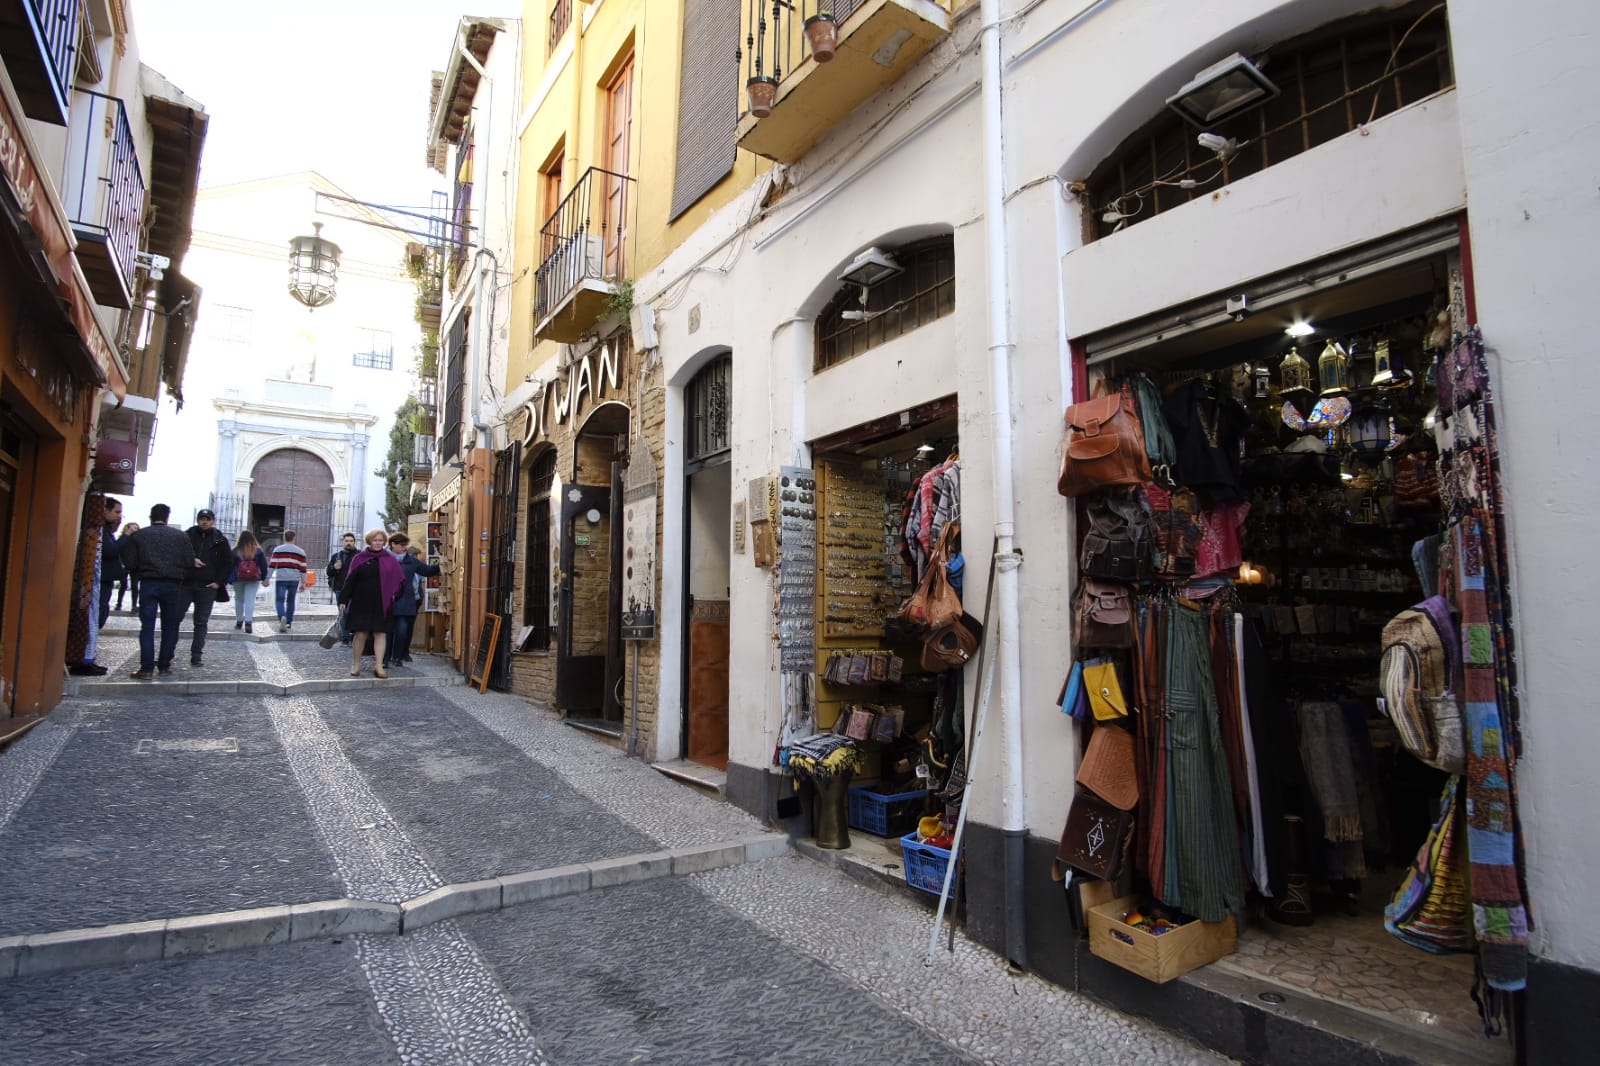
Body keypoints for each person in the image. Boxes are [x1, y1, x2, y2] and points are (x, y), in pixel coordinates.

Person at [120, 503, 198, 679]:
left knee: (147, 626)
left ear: (151, 516)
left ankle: (146, 668)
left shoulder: (140, 535)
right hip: (173, 584)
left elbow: (130, 562)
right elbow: (189, 560)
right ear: (167, 517)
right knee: (170, 626)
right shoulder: (180, 536)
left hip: (149, 582)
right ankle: (164, 666)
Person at [338, 529, 405, 678]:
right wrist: (343, 599)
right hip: (361, 601)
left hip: (382, 602)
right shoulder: (359, 558)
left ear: (384, 542)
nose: (378, 543)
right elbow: (350, 580)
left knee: (380, 633)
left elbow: (399, 580)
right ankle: (356, 665)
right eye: (375, 540)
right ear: (369, 541)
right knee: (360, 633)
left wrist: (396, 595)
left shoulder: (390, 559)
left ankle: (379, 666)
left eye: (381, 540)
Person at [184, 508, 233, 667]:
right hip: (186, 583)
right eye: (201, 519)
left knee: (201, 622)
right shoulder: (188, 535)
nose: (204, 522)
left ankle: (196, 655)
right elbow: (178, 554)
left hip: (207, 586)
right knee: (174, 618)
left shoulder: (220, 539)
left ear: (213, 521)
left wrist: (219, 582)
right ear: (198, 520)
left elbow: (228, 562)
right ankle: (166, 656)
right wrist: (191, 560)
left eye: (207, 519)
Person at [384, 534, 440, 669]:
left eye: (405, 545)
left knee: (402, 631)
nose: (404, 548)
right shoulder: (383, 558)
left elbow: (427, 571)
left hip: (405, 600)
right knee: (386, 632)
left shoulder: (411, 561)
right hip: (387, 601)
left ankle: (397, 657)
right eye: (401, 545)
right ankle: (384, 659)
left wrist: (440, 564)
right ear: (392, 544)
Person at [228, 530, 270, 634]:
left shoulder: (235, 551)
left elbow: (229, 566)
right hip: (253, 579)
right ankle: (248, 623)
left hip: (238, 579)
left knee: (238, 600)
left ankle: (239, 621)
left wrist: (229, 579)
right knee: (250, 600)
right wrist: (264, 578)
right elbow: (264, 566)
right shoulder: (258, 551)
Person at [268, 530, 308, 632]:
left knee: (279, 600)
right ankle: (289, 622)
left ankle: (282, 616)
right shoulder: (300, 552)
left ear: (284, 538)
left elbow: (272, 565)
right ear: (294, 538)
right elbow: (303, 568)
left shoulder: (278, 550)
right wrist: (303, 582)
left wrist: (267, 578)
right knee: (291, 601)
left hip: (281, 578)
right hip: (294, 579)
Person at [326, 531, 358, 645]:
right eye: (346, 541)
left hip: (356, 590)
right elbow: (329, 572)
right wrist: (334, 567)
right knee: (343, 613)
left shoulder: (359, 555)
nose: (349, 543)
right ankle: (345, 637)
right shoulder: (337, 556)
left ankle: (354, 635)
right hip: (340, 588)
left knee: (353, 612)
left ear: (354, 542)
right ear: (342, 542)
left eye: (351, 541)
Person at [98, 497, 125, 630]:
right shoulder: (101, 530)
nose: (119, 516)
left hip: (106, 579)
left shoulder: (107, 530)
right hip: (101, 579)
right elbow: (110, 550)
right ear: (105, 510)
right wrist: (125, 536)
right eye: (117, 512)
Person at [115, 521, 141, 610]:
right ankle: (118, 604)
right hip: (124, 565)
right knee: (123, 585)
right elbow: (117, 550)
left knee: (134, 586)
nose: (135, 529)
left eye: (137, 528)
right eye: (134, 527)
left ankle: (134, 605)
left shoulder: (139, 540)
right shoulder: (123, 538)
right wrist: (121, 563)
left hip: (135, 567)